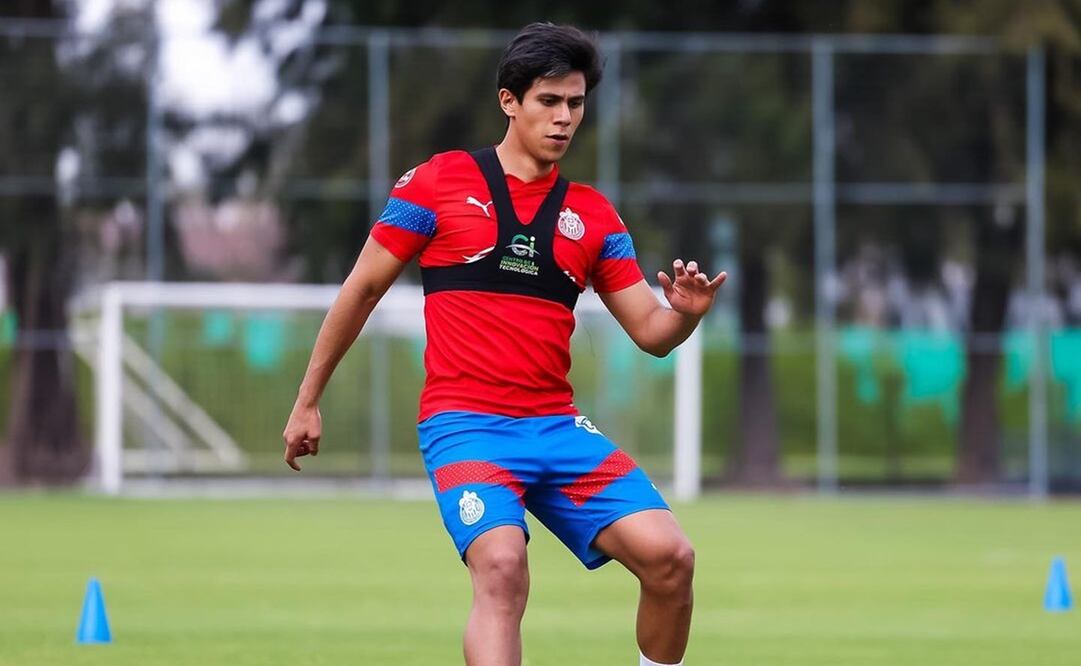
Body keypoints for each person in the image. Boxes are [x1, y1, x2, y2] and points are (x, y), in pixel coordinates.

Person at [282, 22, 726, 666]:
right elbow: (362, 290)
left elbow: (652, 335)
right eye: (549, 101)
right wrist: (308, 399)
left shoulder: (594, 216)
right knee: (501, 566)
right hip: (467, 428)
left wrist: (684, 315)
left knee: (671, 560)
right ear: (509, 101)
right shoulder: (436, 184)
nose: (564, 118)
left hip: (556, 427)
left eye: (576, 103)